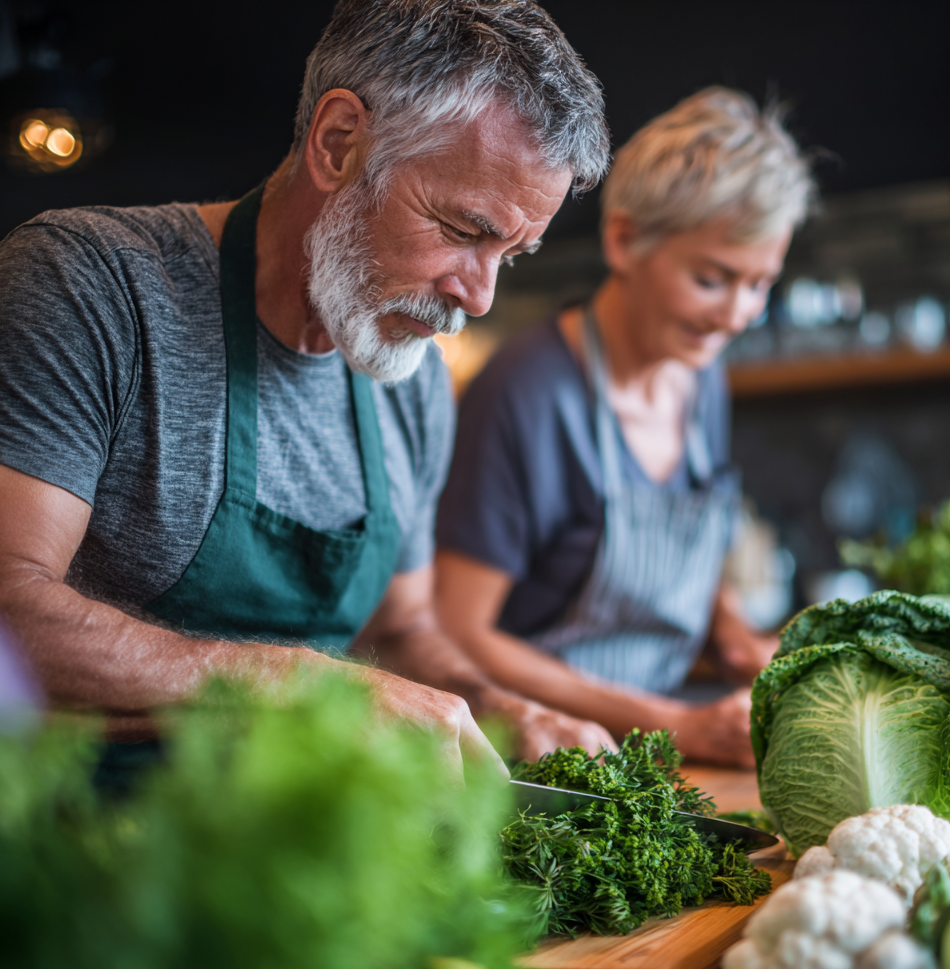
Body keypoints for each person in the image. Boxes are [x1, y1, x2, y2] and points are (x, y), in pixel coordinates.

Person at [0, 0, 616, 778]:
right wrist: (296, 681)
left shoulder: (409, 377)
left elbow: (406, 630)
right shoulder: (91, 286)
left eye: (513, 255)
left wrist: (494, 704)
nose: (481, 297)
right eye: (464, 231)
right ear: (338, 144)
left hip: (292, 853)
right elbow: (7, 609)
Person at [434, 88, 815, 767]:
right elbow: (459, 631)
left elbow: (683, 561)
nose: (736, 315)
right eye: (712, 278)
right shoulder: (526, 393)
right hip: (534, 764)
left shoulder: (701, 378)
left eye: (759, 285)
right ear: (624, 240)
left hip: (648, 760)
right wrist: (675, 724)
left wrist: (731, 634)